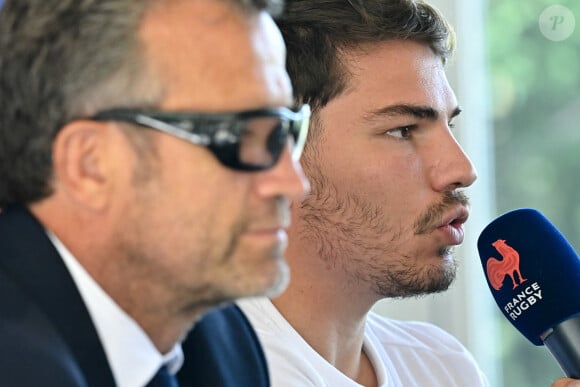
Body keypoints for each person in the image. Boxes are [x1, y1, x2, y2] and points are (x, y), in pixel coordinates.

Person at [0, 0, 310, 386]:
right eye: (238, 136)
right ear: (91, 164)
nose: (294, 184)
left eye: (284, 132)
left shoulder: (222, 342)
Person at [238, 0, 486, 385]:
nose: (463, 170)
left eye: (448, 125)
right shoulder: (207, 368)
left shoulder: (444, 366)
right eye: (403, 130)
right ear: (282, 149)